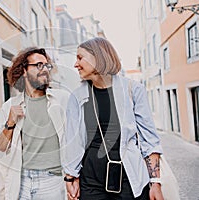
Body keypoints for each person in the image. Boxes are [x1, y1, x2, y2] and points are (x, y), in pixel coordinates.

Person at [63, 37, 164, 200]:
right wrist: (70, 177)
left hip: (130, 179)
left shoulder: (133, 90)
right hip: (91, 181)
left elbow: (149, 140)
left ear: (98, 57)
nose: (75, 64)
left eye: (80, 58)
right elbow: (73, 141)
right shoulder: (77, 96)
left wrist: (155, 182)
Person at [0, 47, 69, 200]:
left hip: (52, 180)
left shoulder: (62, 100)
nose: (45, 69)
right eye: (38, 65)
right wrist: (10, 122)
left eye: (47, 65)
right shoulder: (10, 106)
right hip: (21, 180)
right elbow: (1, 146)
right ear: (24, 71)